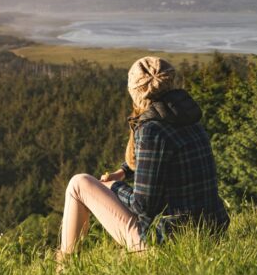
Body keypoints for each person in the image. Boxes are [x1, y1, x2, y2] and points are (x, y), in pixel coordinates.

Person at [58, 56, 230, 261]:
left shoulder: (152, 130)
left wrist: (114, 186)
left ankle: (65, 267)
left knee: (79, 183)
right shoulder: (189, 119)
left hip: (170, 242)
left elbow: (144, 207)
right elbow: (162, 160)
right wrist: (123, 171)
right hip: (213, 232)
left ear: (136, 92)